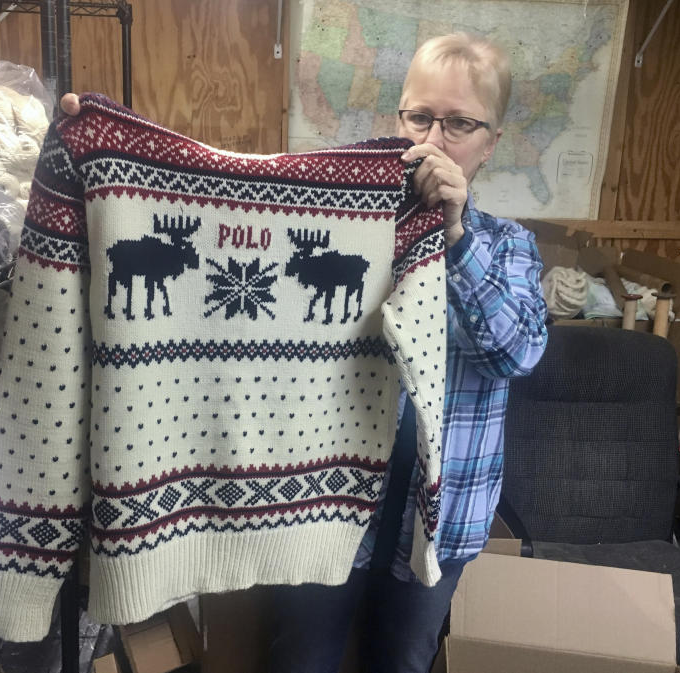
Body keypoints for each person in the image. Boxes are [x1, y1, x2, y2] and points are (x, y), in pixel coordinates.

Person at [59, 31, 548, 673]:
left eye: (459, 123)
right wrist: (106, 154)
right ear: (397, 119)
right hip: (322, 507)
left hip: (442, 521)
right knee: (300, 661)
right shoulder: (339, 228)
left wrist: (455, 238)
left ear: (491, 143)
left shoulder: (506, 247)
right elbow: (242, 198)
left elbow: (516, 354)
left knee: (401, 663)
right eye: (420, 116)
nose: (433, 139)